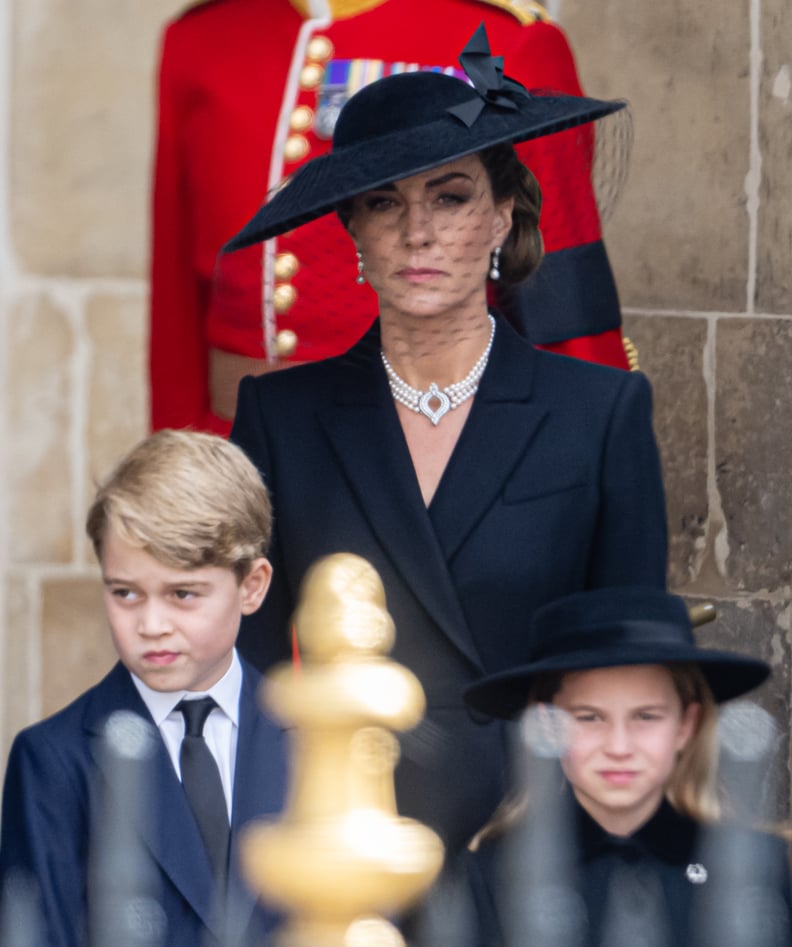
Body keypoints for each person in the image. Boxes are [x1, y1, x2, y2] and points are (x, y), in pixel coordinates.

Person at [227, 25, 668, 858]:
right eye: (386, 201)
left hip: (538, 848)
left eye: (451, 195)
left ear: (503, 213)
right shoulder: (280, 418)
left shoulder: (601, 412)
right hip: (345, 847)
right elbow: (251, 682)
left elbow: (628, 673)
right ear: (352, 227)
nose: (418, 232)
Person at [149, 0, 631, 435]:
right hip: (232, 457)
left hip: (428, 456)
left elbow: (564, 307)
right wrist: (171, 468)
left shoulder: (504, 39)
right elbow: (176, 296)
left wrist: (590, 465)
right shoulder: (202, 40)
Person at [0, 431, 287, 947]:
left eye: (182, 593)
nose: (151, 624)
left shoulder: (319, 740)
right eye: (126, 592)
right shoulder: (51, 761)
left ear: (252, 586)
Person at [463, 586, 792, 946]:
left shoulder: (762, 868)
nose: (619, 747)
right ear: (547, 726)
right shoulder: (489, 877)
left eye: (646, 717)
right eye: (589, 717)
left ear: (686, 725)